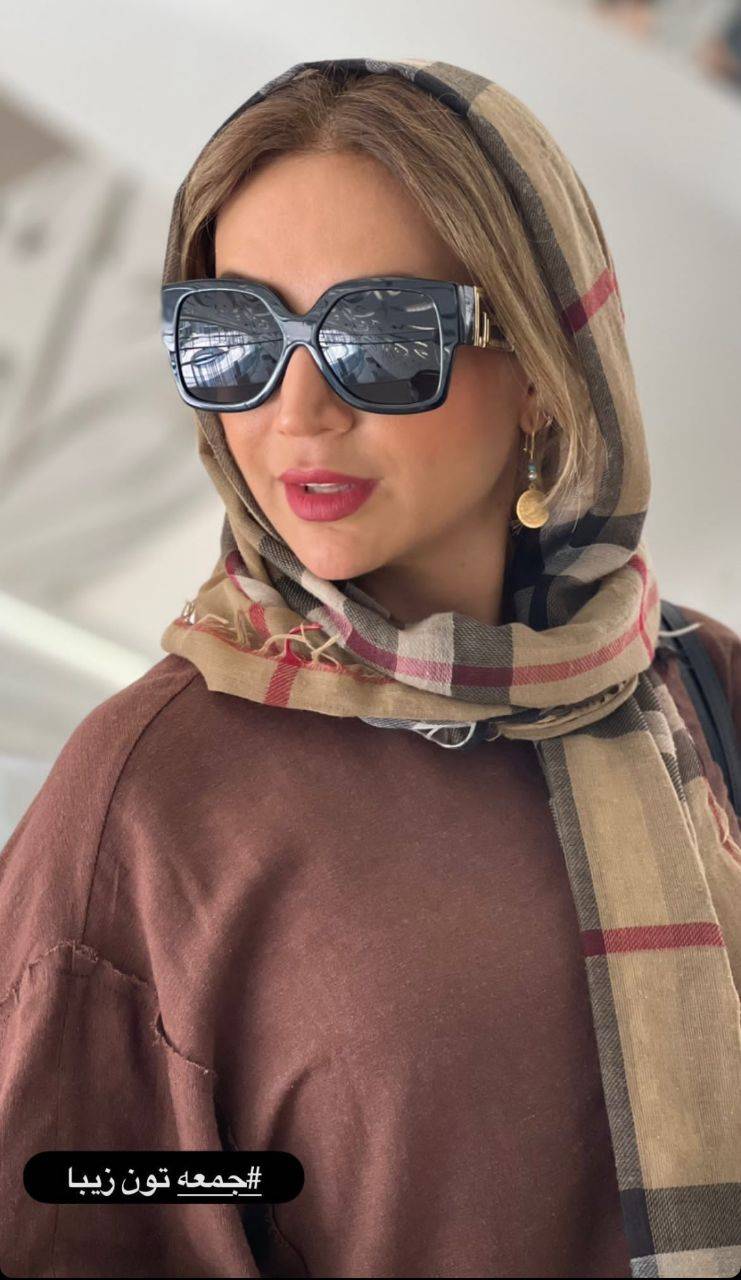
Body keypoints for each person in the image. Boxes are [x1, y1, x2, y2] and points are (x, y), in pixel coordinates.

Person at [1, 56, 740, 1279]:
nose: (296, 411)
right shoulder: (148, 798)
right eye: (234, 338)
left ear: (543, 370)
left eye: (383, 336)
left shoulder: (703, 687)